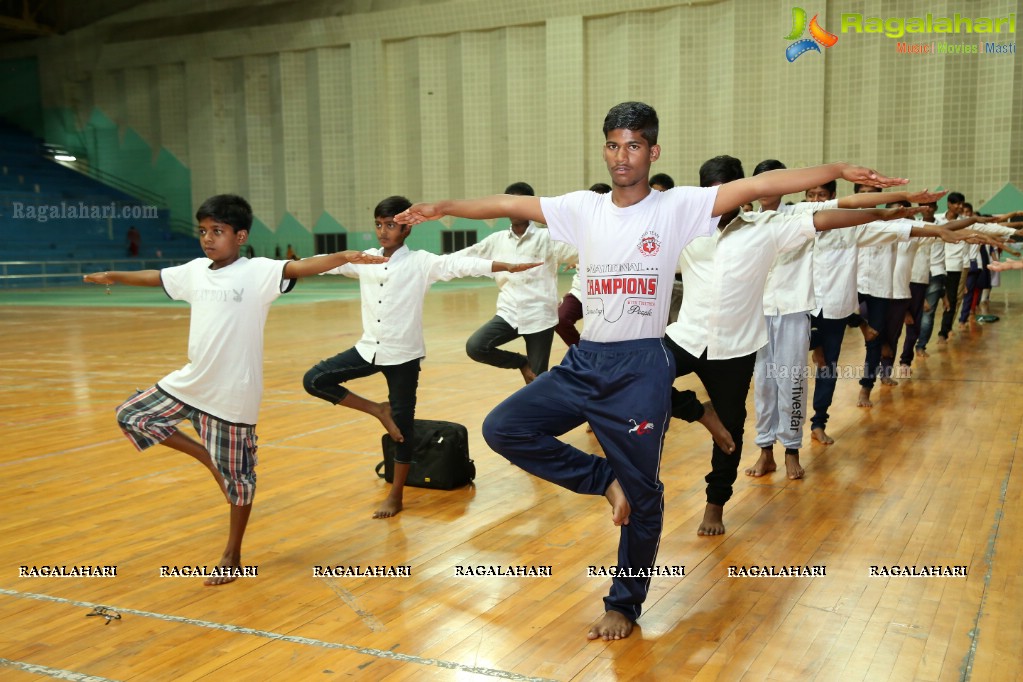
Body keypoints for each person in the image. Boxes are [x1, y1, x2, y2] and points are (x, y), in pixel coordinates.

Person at [395, 101, 908, 641]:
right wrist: (444, 206)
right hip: (586, 361)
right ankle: (603, 481)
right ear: (605, 150)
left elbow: (762, 187)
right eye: (614, 145)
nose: (623, 157)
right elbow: (507, 201)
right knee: (503, 428)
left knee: (646, 495)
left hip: (642, 364)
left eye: (634, 146)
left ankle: (625, 604)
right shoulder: (583, 208)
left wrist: (837, 171)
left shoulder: (678, 207)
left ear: (653, 151)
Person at [83, 194, 387, 585]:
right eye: (204, 231)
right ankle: (206, 458)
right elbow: (156, 276)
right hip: (191, 382)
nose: (208, 239)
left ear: (240, 236)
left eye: (218, 231)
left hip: (233, 393)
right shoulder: (194, 271)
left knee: (239, 481)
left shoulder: (258, 272)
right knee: (132, 415)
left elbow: (303, 266)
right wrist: (114, 276)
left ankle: (232, 554)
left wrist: (344, 255)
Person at [665, 157, 932, 536]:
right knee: (635, 378)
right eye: (712, 193)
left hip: (739, 346)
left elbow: (827, 217)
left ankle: (716, 504)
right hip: (688, 336)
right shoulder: (684, 231)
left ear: (741, 193)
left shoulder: (767, 228)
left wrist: (890, 210)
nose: (719, 201)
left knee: (734, 428)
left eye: (726, 192)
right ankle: (697, 410)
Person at [303, 195, 540, 519]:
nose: (383, 231)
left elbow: (460, 265)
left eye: (390, 225)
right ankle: (377, 409)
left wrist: (506, 265)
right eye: (378, 225)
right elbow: (322, 264)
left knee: (402, 429)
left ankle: (396, 494)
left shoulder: (421, 262)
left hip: (403, 355)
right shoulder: (363, 259)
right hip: (368, 349)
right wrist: (326, 259)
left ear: (406, 230)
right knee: (315, 380)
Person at [460, 182, 577, 383]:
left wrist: (579, 261)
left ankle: (538, 411)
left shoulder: (548, 238)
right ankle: (521, 362)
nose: (514, 207)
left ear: (530, 205)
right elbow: (464, 257)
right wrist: (429, 265)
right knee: (476, 346)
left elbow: (583, 252)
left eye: (520, 202)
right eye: (509, 203)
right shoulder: (496, 240)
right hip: (508, 314)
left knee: (537, 380)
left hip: (540, 317)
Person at [555, 183, 611, 348]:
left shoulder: (618, 227)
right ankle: (583, 353)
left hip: (609, 291)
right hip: (581, 290)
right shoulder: (578, 228)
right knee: (560, 318)